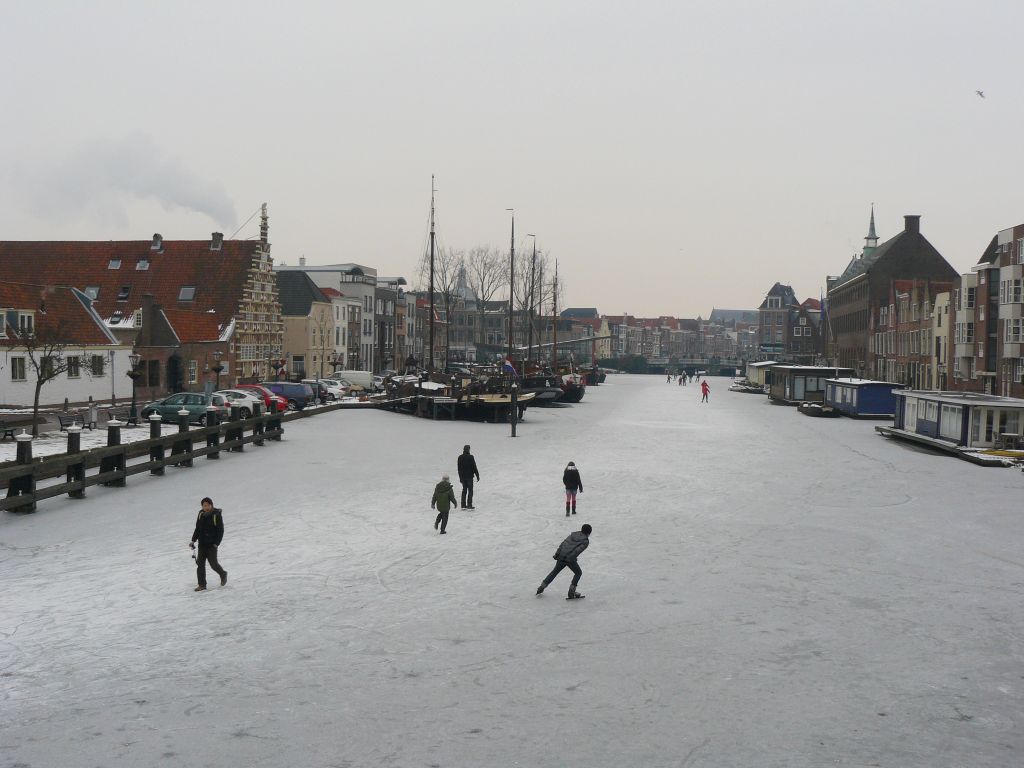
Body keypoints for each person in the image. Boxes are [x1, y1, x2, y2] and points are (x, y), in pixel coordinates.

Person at [536, 524, 592, 599]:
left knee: (554, 572)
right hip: (569, 559)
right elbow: (577, 551)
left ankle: (541, 587)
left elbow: (563, 543)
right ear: (589, 532)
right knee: (578, 573)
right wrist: (572, 558)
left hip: (561, 556)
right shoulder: (585, 541)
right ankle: (571, 592)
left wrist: (557, 554)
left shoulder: (573, 534)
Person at [189, 497, 226, 592]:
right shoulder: (201, 514)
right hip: (202, 544)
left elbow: (220, 531)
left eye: (207, 505)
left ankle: (223, 574)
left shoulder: (216, 515)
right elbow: (198, 528)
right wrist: (193, 540)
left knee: (213, 564)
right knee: (200, 564)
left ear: (211, 505)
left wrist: (216, 543)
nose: (205, 507)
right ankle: (202, 585)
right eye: (203, 505)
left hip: (212, 545)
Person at [457, 444, 480, 509]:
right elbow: (474, 467)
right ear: (468, 449)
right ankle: (469, 504)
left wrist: (460, 477)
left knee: (464, 490)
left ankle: (463, 505)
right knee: (470, 490)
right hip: (469, 477)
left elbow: (459, 469)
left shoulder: (460, 457)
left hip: (463, 477)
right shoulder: (470, 457)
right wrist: (477, 475)